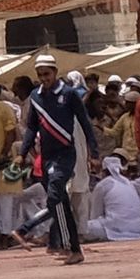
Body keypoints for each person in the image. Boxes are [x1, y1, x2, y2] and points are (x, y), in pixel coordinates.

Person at [20, 54, 91, 263]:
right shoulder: (36, 97)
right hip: (48, 156)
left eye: (47, 74)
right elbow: (32, 128)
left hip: (67, 155)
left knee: (55, 195)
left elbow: (85, 125)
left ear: (55, 72)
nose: (44, 78)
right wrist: (21, 154)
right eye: (40, 75)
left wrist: (94, 152)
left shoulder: (69, 95)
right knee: (60, 200)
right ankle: (68, 248)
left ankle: (30, 230)